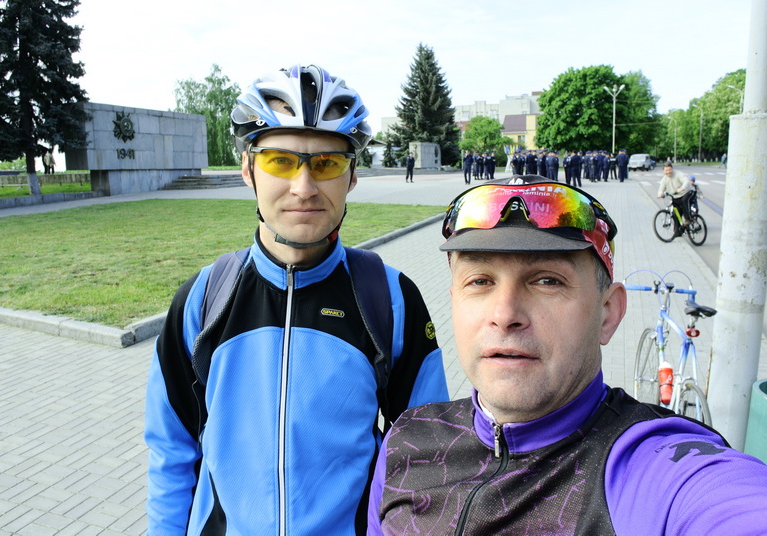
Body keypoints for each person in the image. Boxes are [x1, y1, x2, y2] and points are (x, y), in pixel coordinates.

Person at [144, 64, 449, 535]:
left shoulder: (390, 299)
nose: (303, 187)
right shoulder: (202, 300)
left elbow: (427, 455)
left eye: (326, 164)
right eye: (280, 161)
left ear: (352, 175)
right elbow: (172, 452)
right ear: (248, 169)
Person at [368, 175, 767, 535]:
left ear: (608, 313)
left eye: (547, 280)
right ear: (454, 300)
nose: (504, 314)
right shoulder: (406, 441)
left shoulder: (654, 465)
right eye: (480, 281)